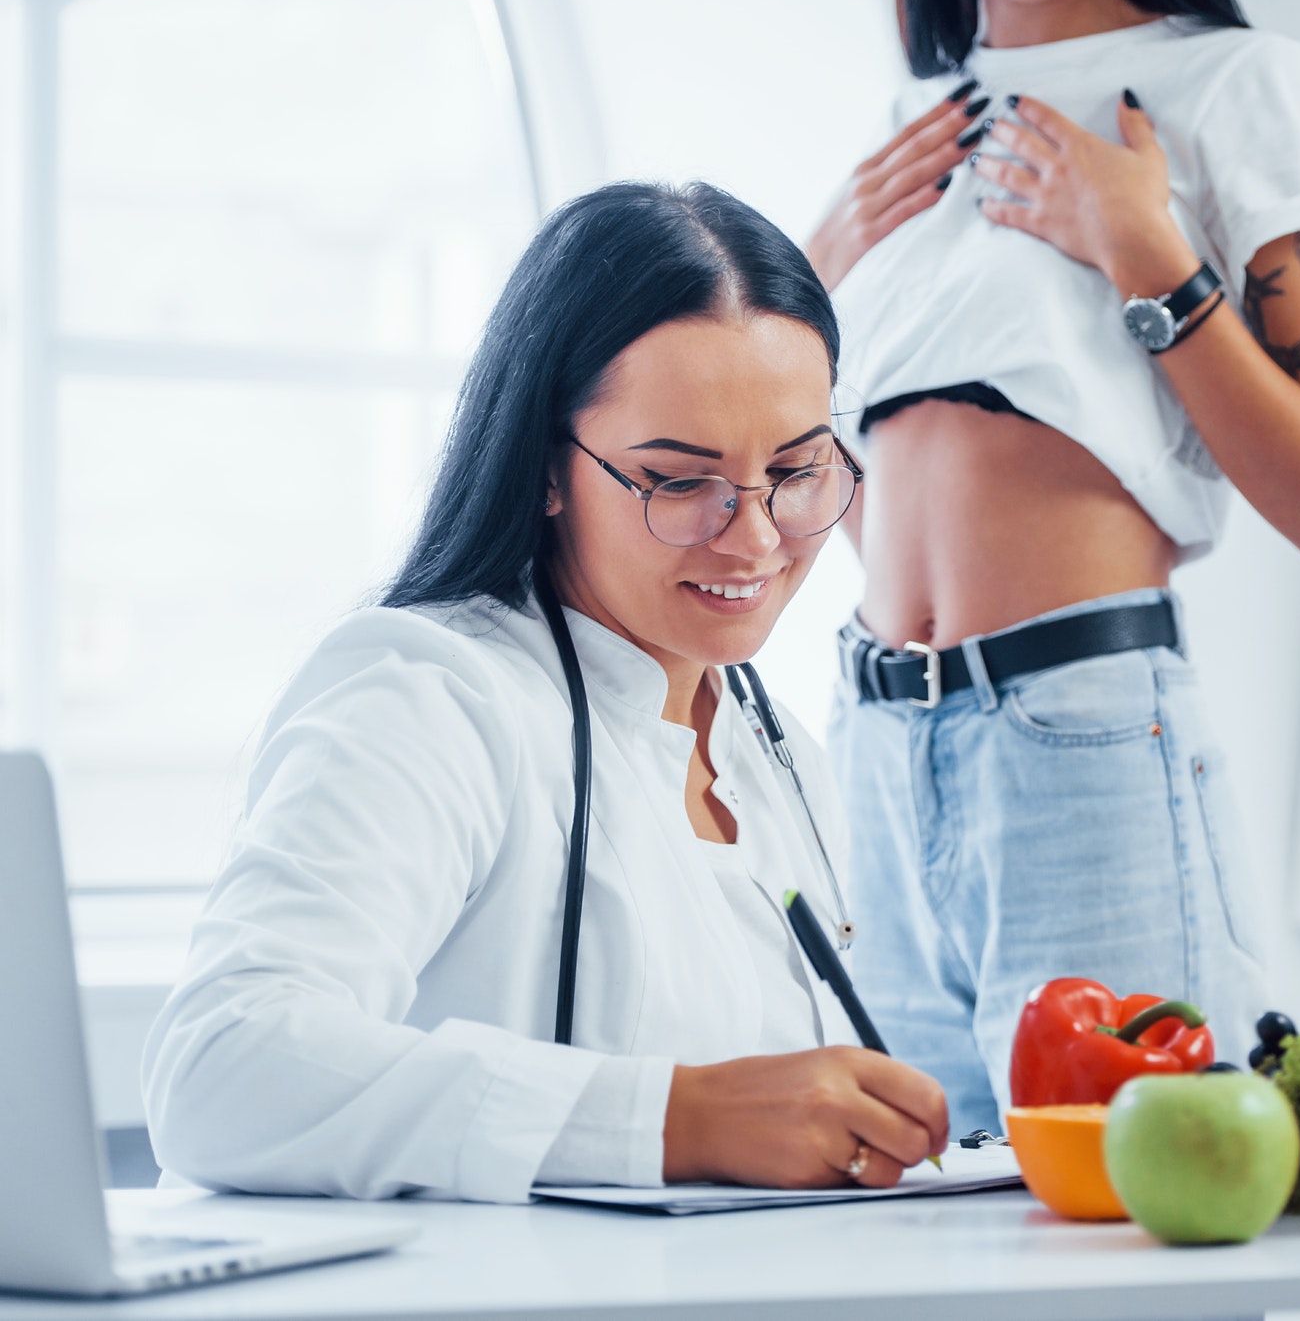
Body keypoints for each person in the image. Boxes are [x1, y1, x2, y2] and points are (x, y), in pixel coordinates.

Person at [142, 182, 949, 1202]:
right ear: (547, 468)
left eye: (794, 470)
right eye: (677, 480)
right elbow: (221, 1068)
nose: (752, 538)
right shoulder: (429, 694)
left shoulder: (780, 753)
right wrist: (677, 1118)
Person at [807, 0, 1300, 1134]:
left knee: (1126, 1247)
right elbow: (844, 475)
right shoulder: (914, 119)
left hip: (1076, 743)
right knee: (912, 1257)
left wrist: (1145, 251)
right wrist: (807, 271)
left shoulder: (1235, 85)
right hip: (874, 753)